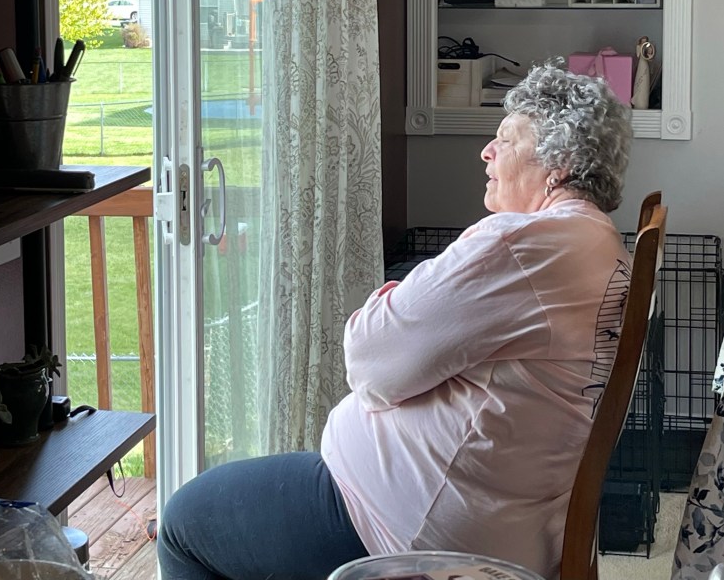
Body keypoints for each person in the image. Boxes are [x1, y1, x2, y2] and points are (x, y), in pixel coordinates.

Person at [157, 63, 634, 580]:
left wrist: (391, 300)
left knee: (182, 526)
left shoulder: (522, 244)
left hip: (411, 528)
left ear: (558, 163)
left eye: (506, 139)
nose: (487, 152)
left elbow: (370, 361)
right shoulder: (600, 243)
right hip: (498, 515)